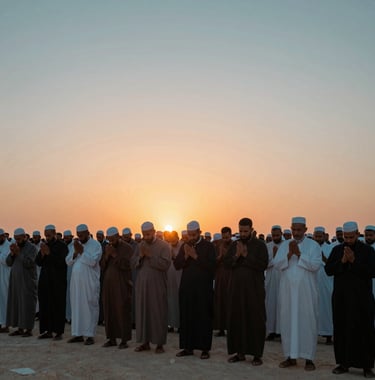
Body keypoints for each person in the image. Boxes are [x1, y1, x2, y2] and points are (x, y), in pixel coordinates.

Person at [325, 221, 375, 378]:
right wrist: (342, 262)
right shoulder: (337, 250)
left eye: (351, 237)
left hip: (362, 299)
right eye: (345, 237)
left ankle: (367, 366)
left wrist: (354, 261)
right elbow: (328, 270)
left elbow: (372, 271)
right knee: (341, 329)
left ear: (357, 234)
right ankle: (343, 363)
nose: (348, 240)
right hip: (341, 298)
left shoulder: (367, 251)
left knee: (364, 330)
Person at [273, 217, 321, 371]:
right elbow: (276, 265)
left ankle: (309, 359)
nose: (296, 232)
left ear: (306, 230)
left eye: (299, 230)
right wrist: (288, 255)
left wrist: (299, 255)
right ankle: (290, 356)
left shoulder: (313, 245)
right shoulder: (285, 245)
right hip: (287, 292)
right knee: (288, 322)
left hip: (306, 293)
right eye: (294, 229)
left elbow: (315, 265)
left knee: (307, 322)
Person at [224, 218, 268, 365]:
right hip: (236, 290)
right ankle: (239, 353)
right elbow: (227, 264)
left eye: (245, 231)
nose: (242, 234)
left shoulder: (260, 245)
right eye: (241, 231)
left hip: (254, 290)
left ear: (251, 230)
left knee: (255, 320)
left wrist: (246, 256)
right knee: (237, 319)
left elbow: (262, 265)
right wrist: (236, 255)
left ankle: (256, 355)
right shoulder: (234, 245)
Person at [174, 220, 216, 360]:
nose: (191, 237)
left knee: (203, 317)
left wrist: (195, 257)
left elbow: (212, 268)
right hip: (187, 288)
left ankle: (204, 349)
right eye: (189, 235)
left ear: (199, 232)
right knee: (187, 317)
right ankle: (187, 347)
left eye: (194, 234)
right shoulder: (184, 247)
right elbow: (177, 265)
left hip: (203, 289)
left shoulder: (209, 247)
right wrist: (186, 256)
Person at [133, 222, 171, 353]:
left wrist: (150, 256)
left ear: (154, 231)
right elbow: (133, 263)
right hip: (142, 286)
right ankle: (145, 342)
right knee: (143, 312)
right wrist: (140, 257)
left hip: (157, 285)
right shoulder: (140, 246)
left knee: (158, 313)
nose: (146, 236)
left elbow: (165, 265)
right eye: (144, 234)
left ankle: (159, 343)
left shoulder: (164, 246)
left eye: (148, 234)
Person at [66, 224, 102, 345]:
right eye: (78, 235)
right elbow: (68, 261)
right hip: (76, 283)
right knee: (77, 307)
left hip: (89, 282)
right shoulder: (76, 245)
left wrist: (82, 252)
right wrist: (75, 253)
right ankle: (78, 334)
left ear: (87, 233)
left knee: (90, 306)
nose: (80, 238)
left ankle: (90, 335)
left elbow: (92, 262)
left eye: (82, 235)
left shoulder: (96, 245)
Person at [101, 227, 133, 349]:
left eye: (113, 239)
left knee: (122, 310)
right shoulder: (107, 247)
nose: (111, 241)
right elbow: (102, 266)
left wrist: (114, 254)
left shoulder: (127, 248)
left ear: (118, 236)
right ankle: (111, 338)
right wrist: (107, 256)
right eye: (109, 239)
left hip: (122, 284)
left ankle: (124, 340)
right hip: (108, 284)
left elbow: (127, 265)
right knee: (109, 310)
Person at [36, 225, 68, 340]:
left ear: (54, 233)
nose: (47, 237)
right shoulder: (45, 246)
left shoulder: (62, 246)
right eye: (46, 235)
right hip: (45, 281)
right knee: (45, 306)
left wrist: (49, 253)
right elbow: (38, 262)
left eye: (49, 235)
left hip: (57, 282)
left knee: (57, 306)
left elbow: (62, 263)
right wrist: (43, 254)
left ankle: (58, 332)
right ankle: (47, 331)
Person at [6, 228, 38, 337]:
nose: (17, 241)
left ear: (25, 237)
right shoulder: (16, 247)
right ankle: (19, 328)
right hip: (16, 282)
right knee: (17, 305)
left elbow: (29, 263)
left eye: (19, 239)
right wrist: (12, 254)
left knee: (27, 304)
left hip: (27, 281)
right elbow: (8, 263)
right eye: (16, 239)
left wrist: (19, 253)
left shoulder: (32, 248)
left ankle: (28, 329)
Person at [313, 226, 333, 345]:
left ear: (324, 236)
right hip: (313, 281)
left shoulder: (330, 248)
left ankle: (328, 335)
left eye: (320, 236)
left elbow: (332, 265)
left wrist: (324, 258)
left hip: (326, 282)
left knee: (327, 308)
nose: (318, 238)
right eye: (316, 236)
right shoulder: (310, 248)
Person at [265, 225, 283, 341]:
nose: (275, 237)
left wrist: (277, 259)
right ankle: (271, 331)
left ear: (281, 234)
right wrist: (275, 257)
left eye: (277, 235)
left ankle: (281, 331)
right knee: (270, 305)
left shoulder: (287, 245)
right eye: (274, 235)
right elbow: (264, 264)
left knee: (282, 305)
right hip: (271, 280)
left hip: (282, 280)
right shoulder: (267, 247)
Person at [213, 226, 232, 337]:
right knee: (220, 302)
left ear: (230, 235)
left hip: (230, 276)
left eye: (227, 237)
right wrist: (220, 256)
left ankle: (231, 328)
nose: (225, 239)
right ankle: (220, 328)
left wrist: (227, 256)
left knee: (230, 302)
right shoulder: (218, 245)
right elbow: (213, 261)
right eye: (223, 237)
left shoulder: (235, 245)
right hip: (220, 276)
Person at [167, 231, 183, 332]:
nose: (172, 242)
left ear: (177, 238)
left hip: (180, 277)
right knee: (170, 301)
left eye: (174, 239)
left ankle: (180, 325)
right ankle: (171, 324)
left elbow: (182, 261)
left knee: (179, 301)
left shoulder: (182, 246)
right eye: (171, 240)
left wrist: (174, 257)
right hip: (169, 278)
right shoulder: (167, 246)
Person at [0, 228, 11, 333]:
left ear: (3, 236)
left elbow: (7, 261)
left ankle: (5, 325)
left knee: (5, 299)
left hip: (5, 277)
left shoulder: (8, 246)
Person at [63, 230, 74, 324]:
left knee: (72, 296)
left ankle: (71, 317)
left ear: (72, 237)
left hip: (72, 274)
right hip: (64, 274)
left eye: (67, 237)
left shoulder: (75, 246)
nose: (66, 239)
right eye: (65, 238)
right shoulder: (63, 245)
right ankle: (66, 316)